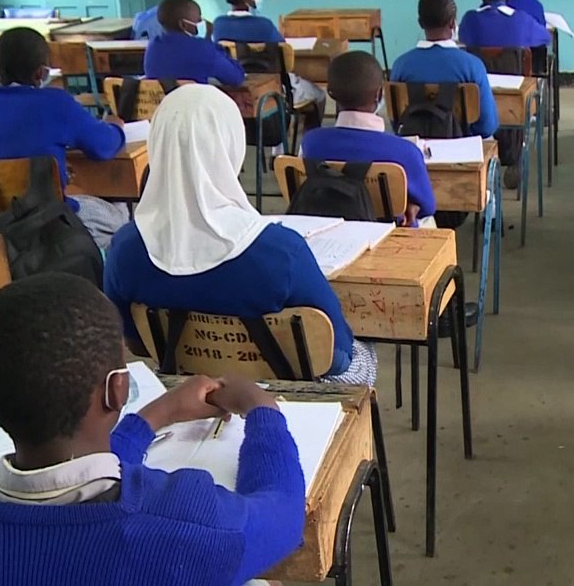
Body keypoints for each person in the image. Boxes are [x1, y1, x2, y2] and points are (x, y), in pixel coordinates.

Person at [0, 273, 306, 585]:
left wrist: (152, 418)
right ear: (117, 389)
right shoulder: (186, 521)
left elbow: (66, 481)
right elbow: (283, 514)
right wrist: (262, 408)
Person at [103, 84, 376, 385]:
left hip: (188, 389)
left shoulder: (124, 249)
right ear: (230, 144)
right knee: (364, 349)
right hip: (285, 390)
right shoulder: (282, 251)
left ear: (157, 144)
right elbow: (334, 350)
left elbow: (137, 343)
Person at [0, 27, 129, 248]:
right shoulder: (55, 102)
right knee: (121, 212)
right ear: (40, 73)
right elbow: (103, 147)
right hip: (50, 221)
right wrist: (116, 127)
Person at [301, 52, 436, 227]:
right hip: (389, 237)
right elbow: (427, 206)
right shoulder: (405, 151)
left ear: (330, 93)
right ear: (380, 94)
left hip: (326, 231)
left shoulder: (311, 143)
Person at [211, 0, 327, 125]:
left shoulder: (219, 24)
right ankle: (307, 141)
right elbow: (283, 52)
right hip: (274, 89)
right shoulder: (263, 25)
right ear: (247, 0)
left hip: (237, 88)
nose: (259, 0)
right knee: (319, 95)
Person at [389, 0, 499, 139]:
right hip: (462, 149)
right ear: (453, 24)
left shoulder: (400, 65)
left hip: (416, 146)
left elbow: (396, 122)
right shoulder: (472, 65)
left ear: (420, 23)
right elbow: (487, 126)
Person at [143, 0, 245, 86]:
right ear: (183, 25)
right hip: (194, 106)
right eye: (199, 19)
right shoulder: (203, 50)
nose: (202, 22)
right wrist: (208, 40)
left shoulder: (153, 47)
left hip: (160, 106)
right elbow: (236, 78)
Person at [459, 0, 551, 50]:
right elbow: (547, 38)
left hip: (481, 71)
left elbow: (463, 41)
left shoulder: (469, 19)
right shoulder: (522, 19)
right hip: (515, 70)